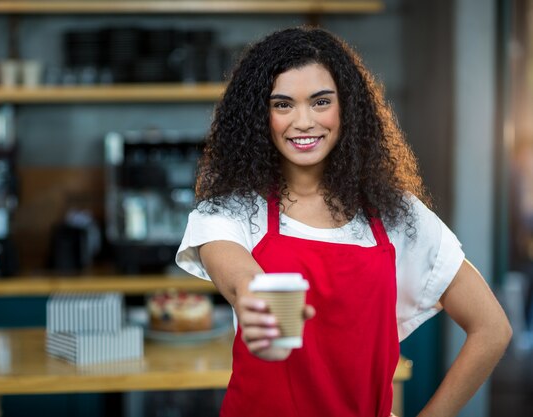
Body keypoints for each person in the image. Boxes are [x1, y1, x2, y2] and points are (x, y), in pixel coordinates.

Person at [175, 27, 512, 417]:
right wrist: (257, 304)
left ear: (347, 108)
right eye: (283, 105)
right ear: (259, 115)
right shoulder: (231, 211)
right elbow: (240, 280)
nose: (303, 121)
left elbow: (492, 329)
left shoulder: (397, 216)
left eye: (320, 102)